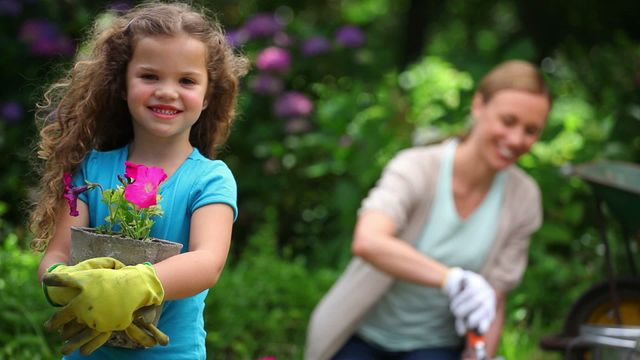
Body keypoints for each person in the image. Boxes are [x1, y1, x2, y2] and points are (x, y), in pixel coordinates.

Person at [28, 2, 248, 359]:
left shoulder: (210, 180)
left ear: (208, 96)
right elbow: (58, 253)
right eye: (150, 76)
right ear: (122, 84)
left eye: (187, 81)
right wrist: (63, 282)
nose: (167, 91)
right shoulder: (89, 170)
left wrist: (137, 284)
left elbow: (208, 261)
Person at [305, 60, 552, 360]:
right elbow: (369, 240)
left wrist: (480, 356)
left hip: (434, 346)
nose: (516, 139)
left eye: (531, 130)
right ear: (478, 105)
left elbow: (494, 301)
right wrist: (452, 280)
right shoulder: (416, 168)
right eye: (508, 121)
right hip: (359, 335)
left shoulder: (523, 198)